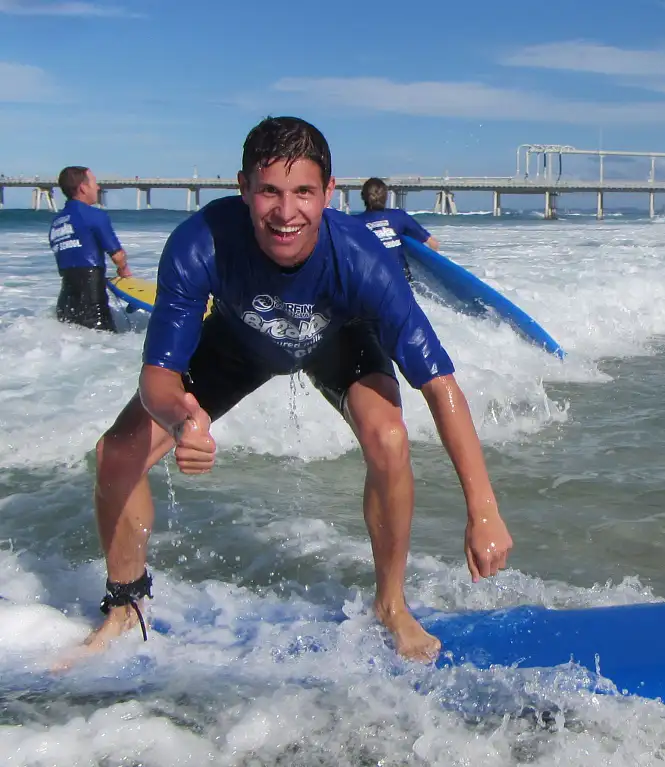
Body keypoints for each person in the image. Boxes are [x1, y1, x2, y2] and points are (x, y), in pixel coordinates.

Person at [79, 116, 513, 664]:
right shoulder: (198, 244)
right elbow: (157, 377)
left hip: (339, 338)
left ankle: (392, 605)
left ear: (330, 193)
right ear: (244, 189)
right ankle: (125, 606)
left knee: (390, 440)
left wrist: (483, 507)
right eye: (269, 192)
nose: (287, 214)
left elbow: (439, 384)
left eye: (304, 191)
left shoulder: (364, 260)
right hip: (239, 343)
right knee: (115, 454)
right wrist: (180, 418)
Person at [48, 166, 132, 331]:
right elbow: (117, 256)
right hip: (92, 299)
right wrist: (124, 270)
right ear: (83, 188)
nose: (98, 187)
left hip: (65, 300)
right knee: (104, 345)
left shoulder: (57, 222)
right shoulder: (95, 215)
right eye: (94, 183)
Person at [352, 177, 439, 281]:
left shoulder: (352, 223)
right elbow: (433, 244)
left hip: (372, 283)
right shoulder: (399, 216)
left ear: (362, 197)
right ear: (386, 197)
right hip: (402, 281)